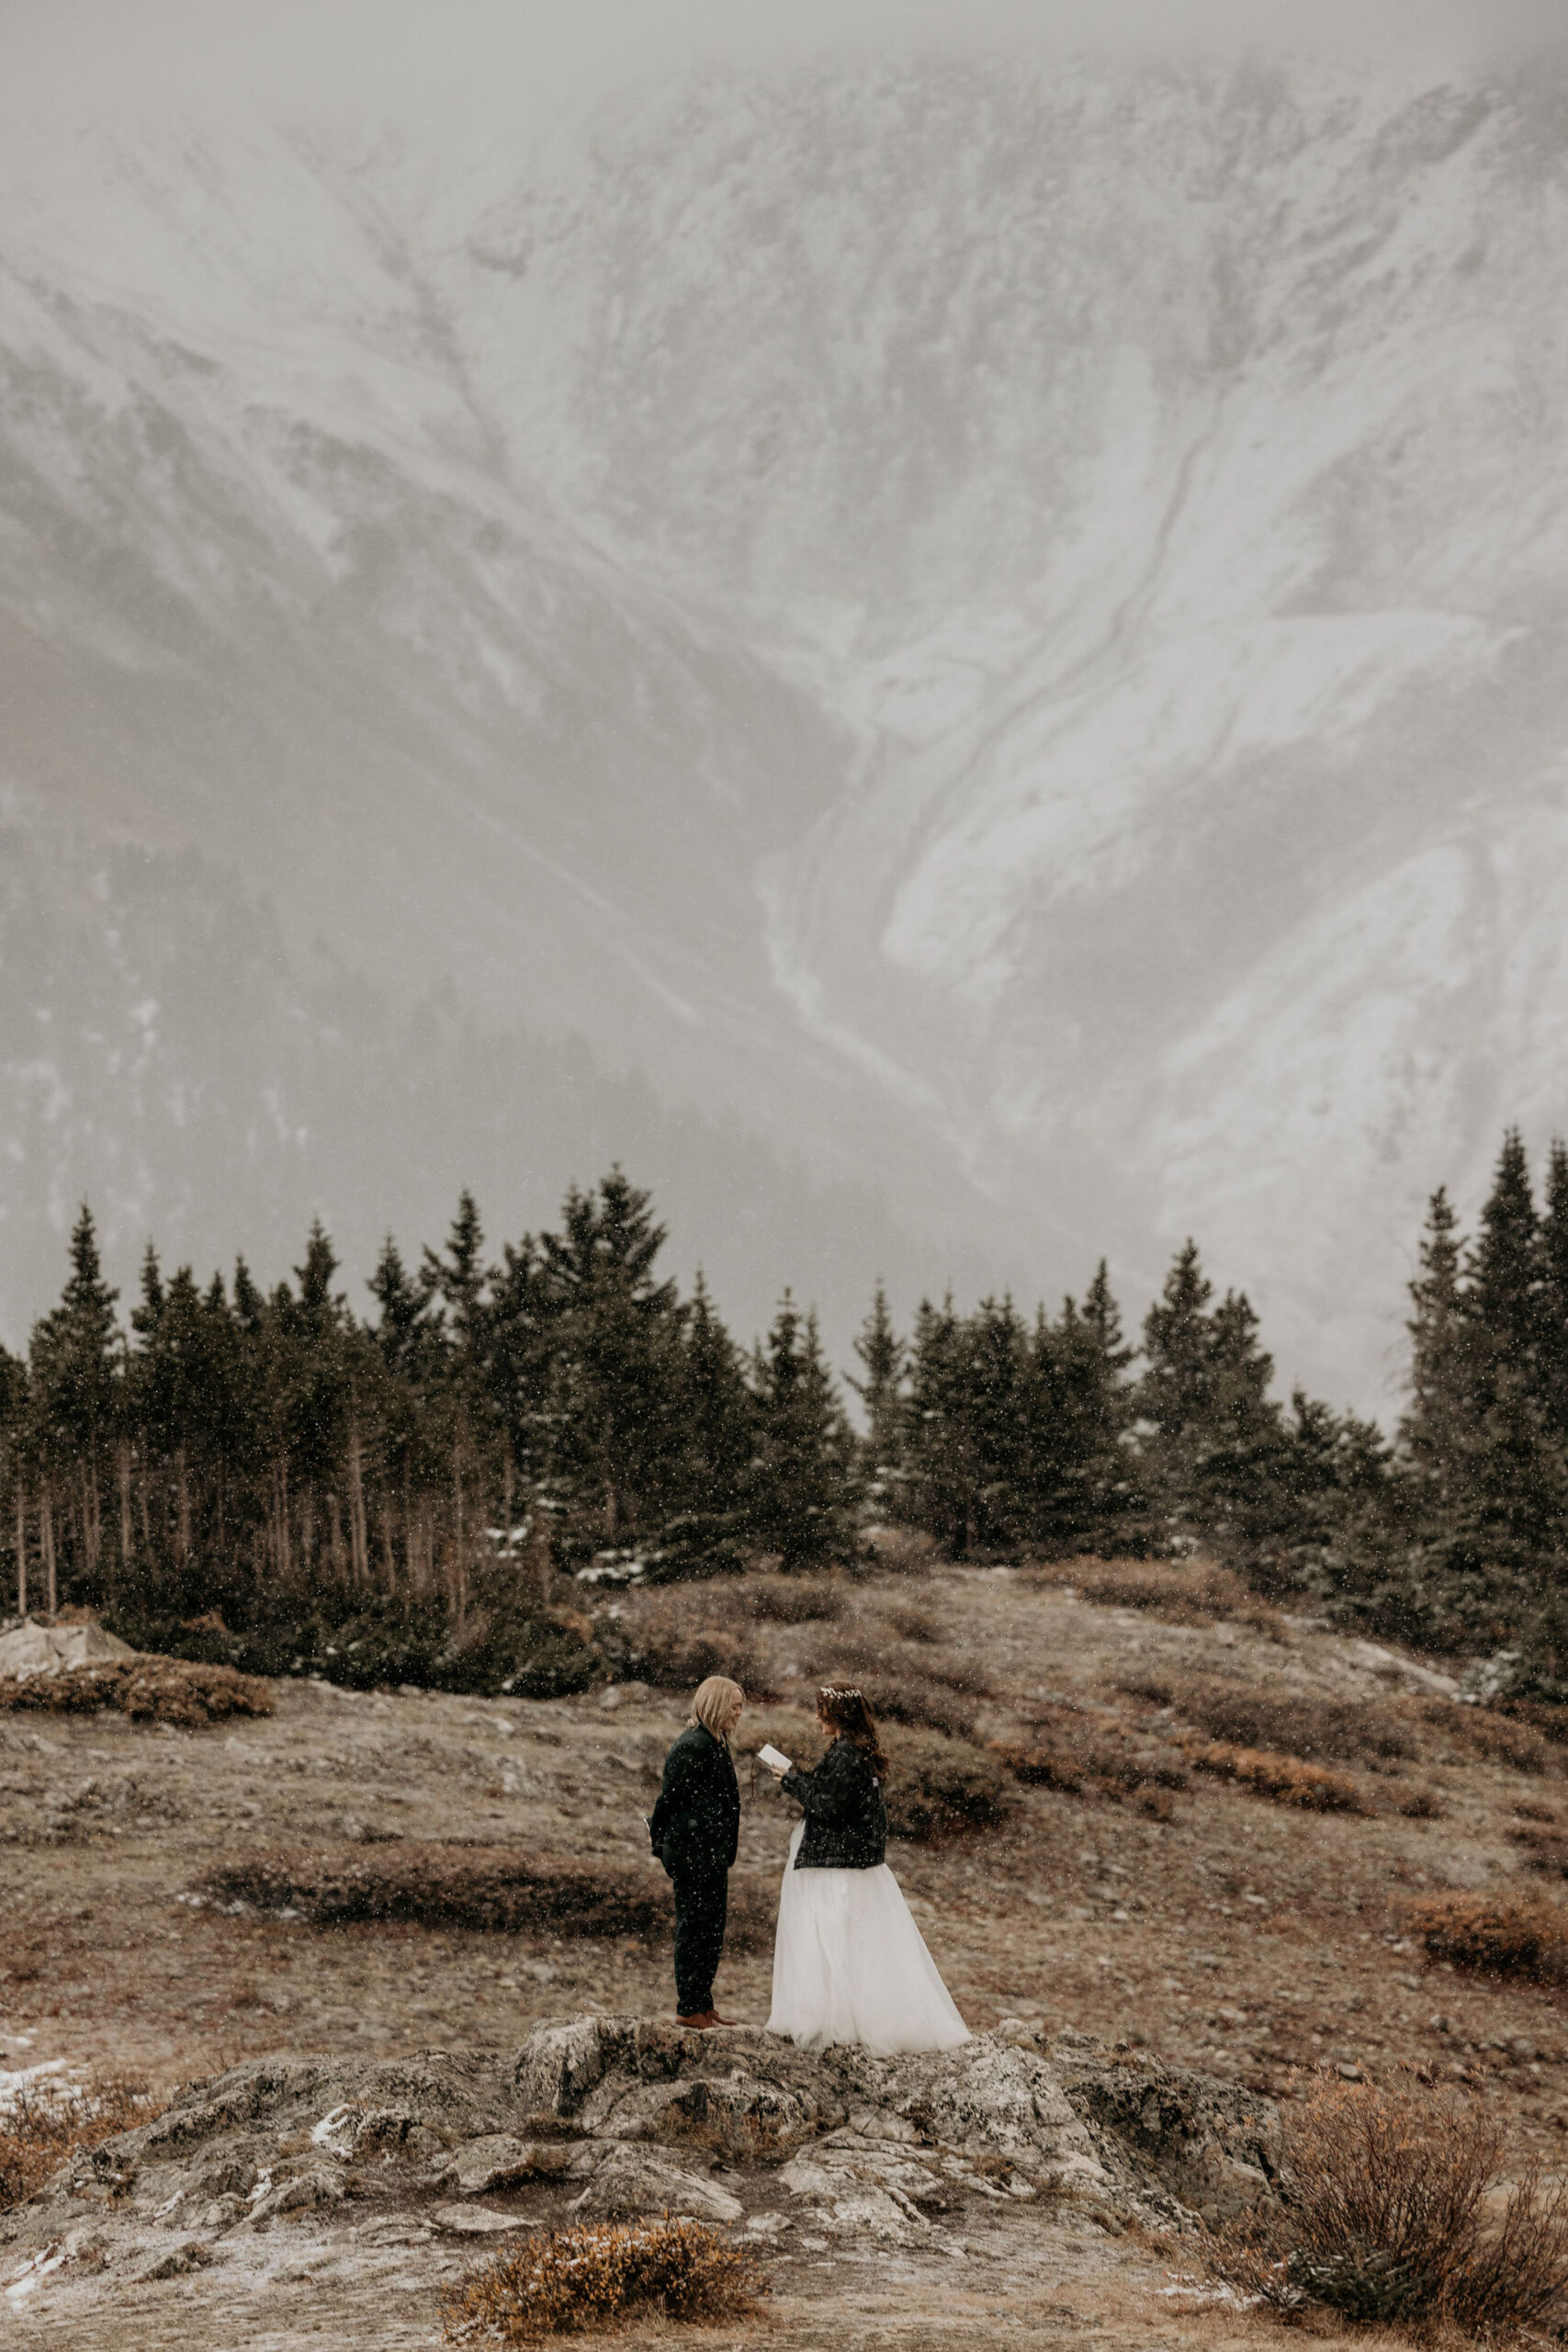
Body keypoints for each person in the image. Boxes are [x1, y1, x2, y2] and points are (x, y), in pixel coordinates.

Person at [766, 1683, 969, 2054]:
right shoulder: (857, 1753)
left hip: (837, 1866)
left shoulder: (846, 1755)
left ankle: (838, 2023)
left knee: (832, 1942)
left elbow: (827, 1806)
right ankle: (850, 2018)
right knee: (857, 1943)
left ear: (836, 1716)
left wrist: (791, 1782)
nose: (816, 1718)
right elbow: (836, 1796)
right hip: (854, 1862)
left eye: (821, 1711)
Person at [649, 1673, 743, 2030]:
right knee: (694, 1930)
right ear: (717, 1705)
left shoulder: (715, 1743)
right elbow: (669, 1803)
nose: (738, 1714)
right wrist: (668, 1851)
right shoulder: (692, 1745)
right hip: (694, 1858)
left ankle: (703, 2003)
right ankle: (689, 2008)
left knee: (711, 1931)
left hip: (713, 1857)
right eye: (734, 1706)